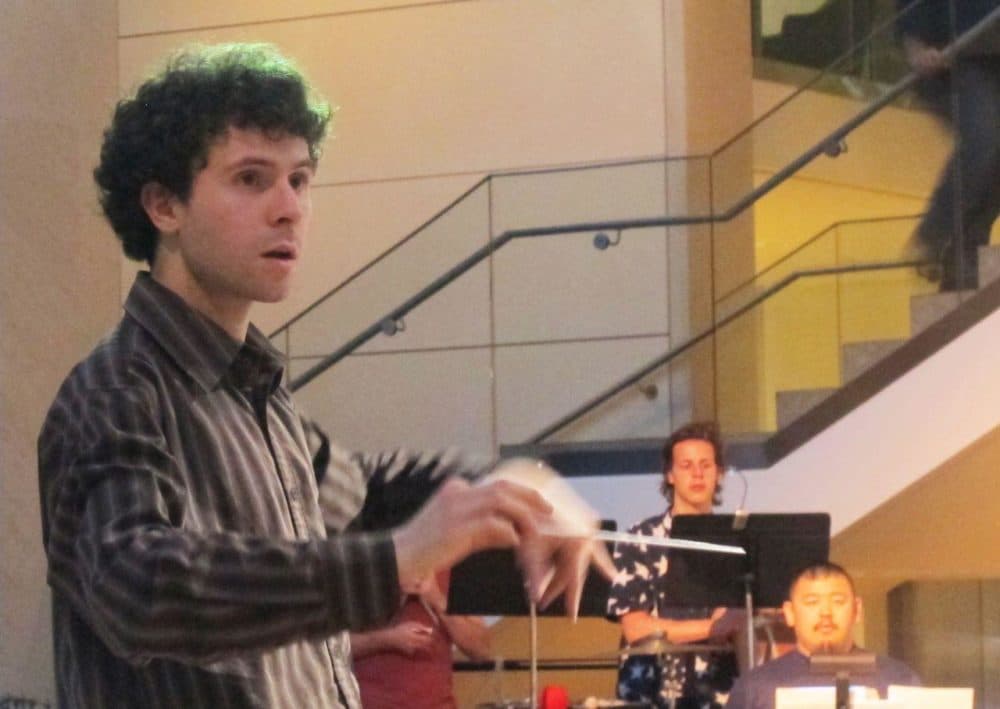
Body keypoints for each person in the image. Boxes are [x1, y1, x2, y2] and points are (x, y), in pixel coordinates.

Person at [37, 43, 609, 708]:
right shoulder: (116, 392)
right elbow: (139, 589)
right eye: (251, 178)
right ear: (164, 205)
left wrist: (508, 485)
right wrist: (394, 558)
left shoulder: (260, 397)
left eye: (300, 180)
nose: (289, 208)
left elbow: (362, 493)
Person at [606, 421, 743, 709]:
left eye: (705, 465)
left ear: (719, 474)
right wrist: (713, 627)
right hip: (650, 690)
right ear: (670, 475)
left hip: (719, 690)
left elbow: (745, 621)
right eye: (686, 465)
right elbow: (636, 629)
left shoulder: (737, 541)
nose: (697, 474)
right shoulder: (640, 538)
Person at [897, 0, 1000, 291]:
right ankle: (934, 235)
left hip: (990, 50)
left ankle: (965, 254)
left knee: (993, 155)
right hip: (957, 56)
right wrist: (914, 44)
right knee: (982, 139)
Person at [726, 562, 920, 709]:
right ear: (790, 613)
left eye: (838, 601)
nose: (825, 612)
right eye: (812, 602)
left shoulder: (897, 678)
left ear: (857, 610)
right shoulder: (756, 687)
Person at [351, 571, 491, 709]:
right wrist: (388, 639)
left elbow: (481, 650)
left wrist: (436, 597)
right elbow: (339, 648)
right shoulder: (353, 568)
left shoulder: (452, 569)